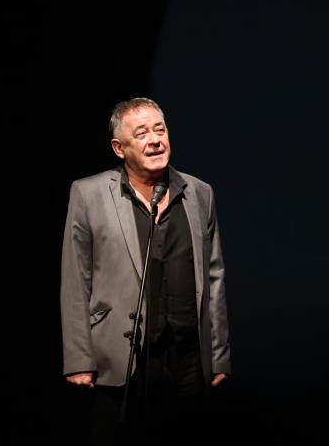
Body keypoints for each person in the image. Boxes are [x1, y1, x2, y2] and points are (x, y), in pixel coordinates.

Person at [60, 97, 231, 445]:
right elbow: (76, 280)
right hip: (121, 357)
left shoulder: (199, 193)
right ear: (118, 148)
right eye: (141, 133)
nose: (155, 140)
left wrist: (218, 356)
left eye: (160, 130)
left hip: (187, 358)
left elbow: (214, 278)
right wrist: (79, 358)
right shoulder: (89, 193)